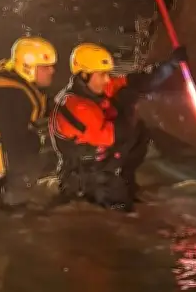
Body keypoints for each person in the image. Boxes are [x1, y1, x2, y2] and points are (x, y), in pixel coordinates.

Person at [49, 43, 188, 211]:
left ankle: (125, 179)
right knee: (122, 210)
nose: (107, 80)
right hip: (85, 175)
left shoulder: (93, 89)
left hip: (100, 162)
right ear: (84, 75)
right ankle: (100, 195)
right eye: (102, 74)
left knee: (139, 132)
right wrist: (127, 106)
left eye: (107, 74)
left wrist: (169, 66)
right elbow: (116, 135)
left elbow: (137, 81)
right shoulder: (78, 106)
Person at [0, 36, 57, 209]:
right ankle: (11, 200)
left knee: (30, 141)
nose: (52, 71)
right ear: (28, 68)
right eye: (45, 67)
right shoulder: (12, 95)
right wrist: (22, 182)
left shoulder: (13, 81)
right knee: (30, 145)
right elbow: (14, 141)